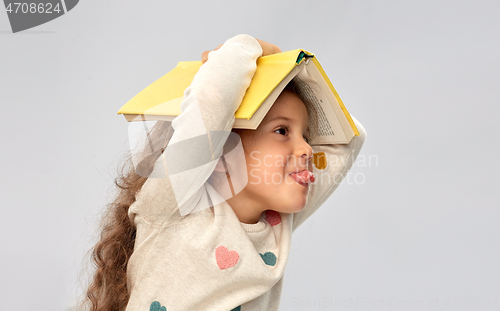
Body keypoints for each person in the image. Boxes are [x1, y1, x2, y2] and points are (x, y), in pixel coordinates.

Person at [81, 34, 367, 311]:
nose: (307, 148)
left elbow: (349, 137)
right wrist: (253, 49)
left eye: (305, 135)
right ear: (222, 151)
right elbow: (214, 100)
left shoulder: (276, 225)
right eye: (282, 131)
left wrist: (282, 72)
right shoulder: (173, 204)